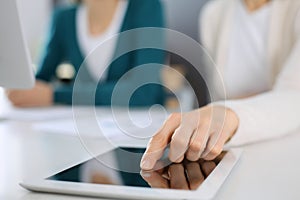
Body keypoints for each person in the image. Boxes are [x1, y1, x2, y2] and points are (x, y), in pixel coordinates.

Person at [141, 0, 300, 170]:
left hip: (285, 156)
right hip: (234, 154)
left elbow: (294, 96)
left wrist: (228, 113)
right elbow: (218, 96)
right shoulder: (214, 13)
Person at [7, 0, 165, 107]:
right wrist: (21, 88)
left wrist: (55, 95)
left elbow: (143, 92)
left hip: (139, 136)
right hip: (85, 131)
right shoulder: (64, 19)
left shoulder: (146, 7)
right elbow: (40, 80)